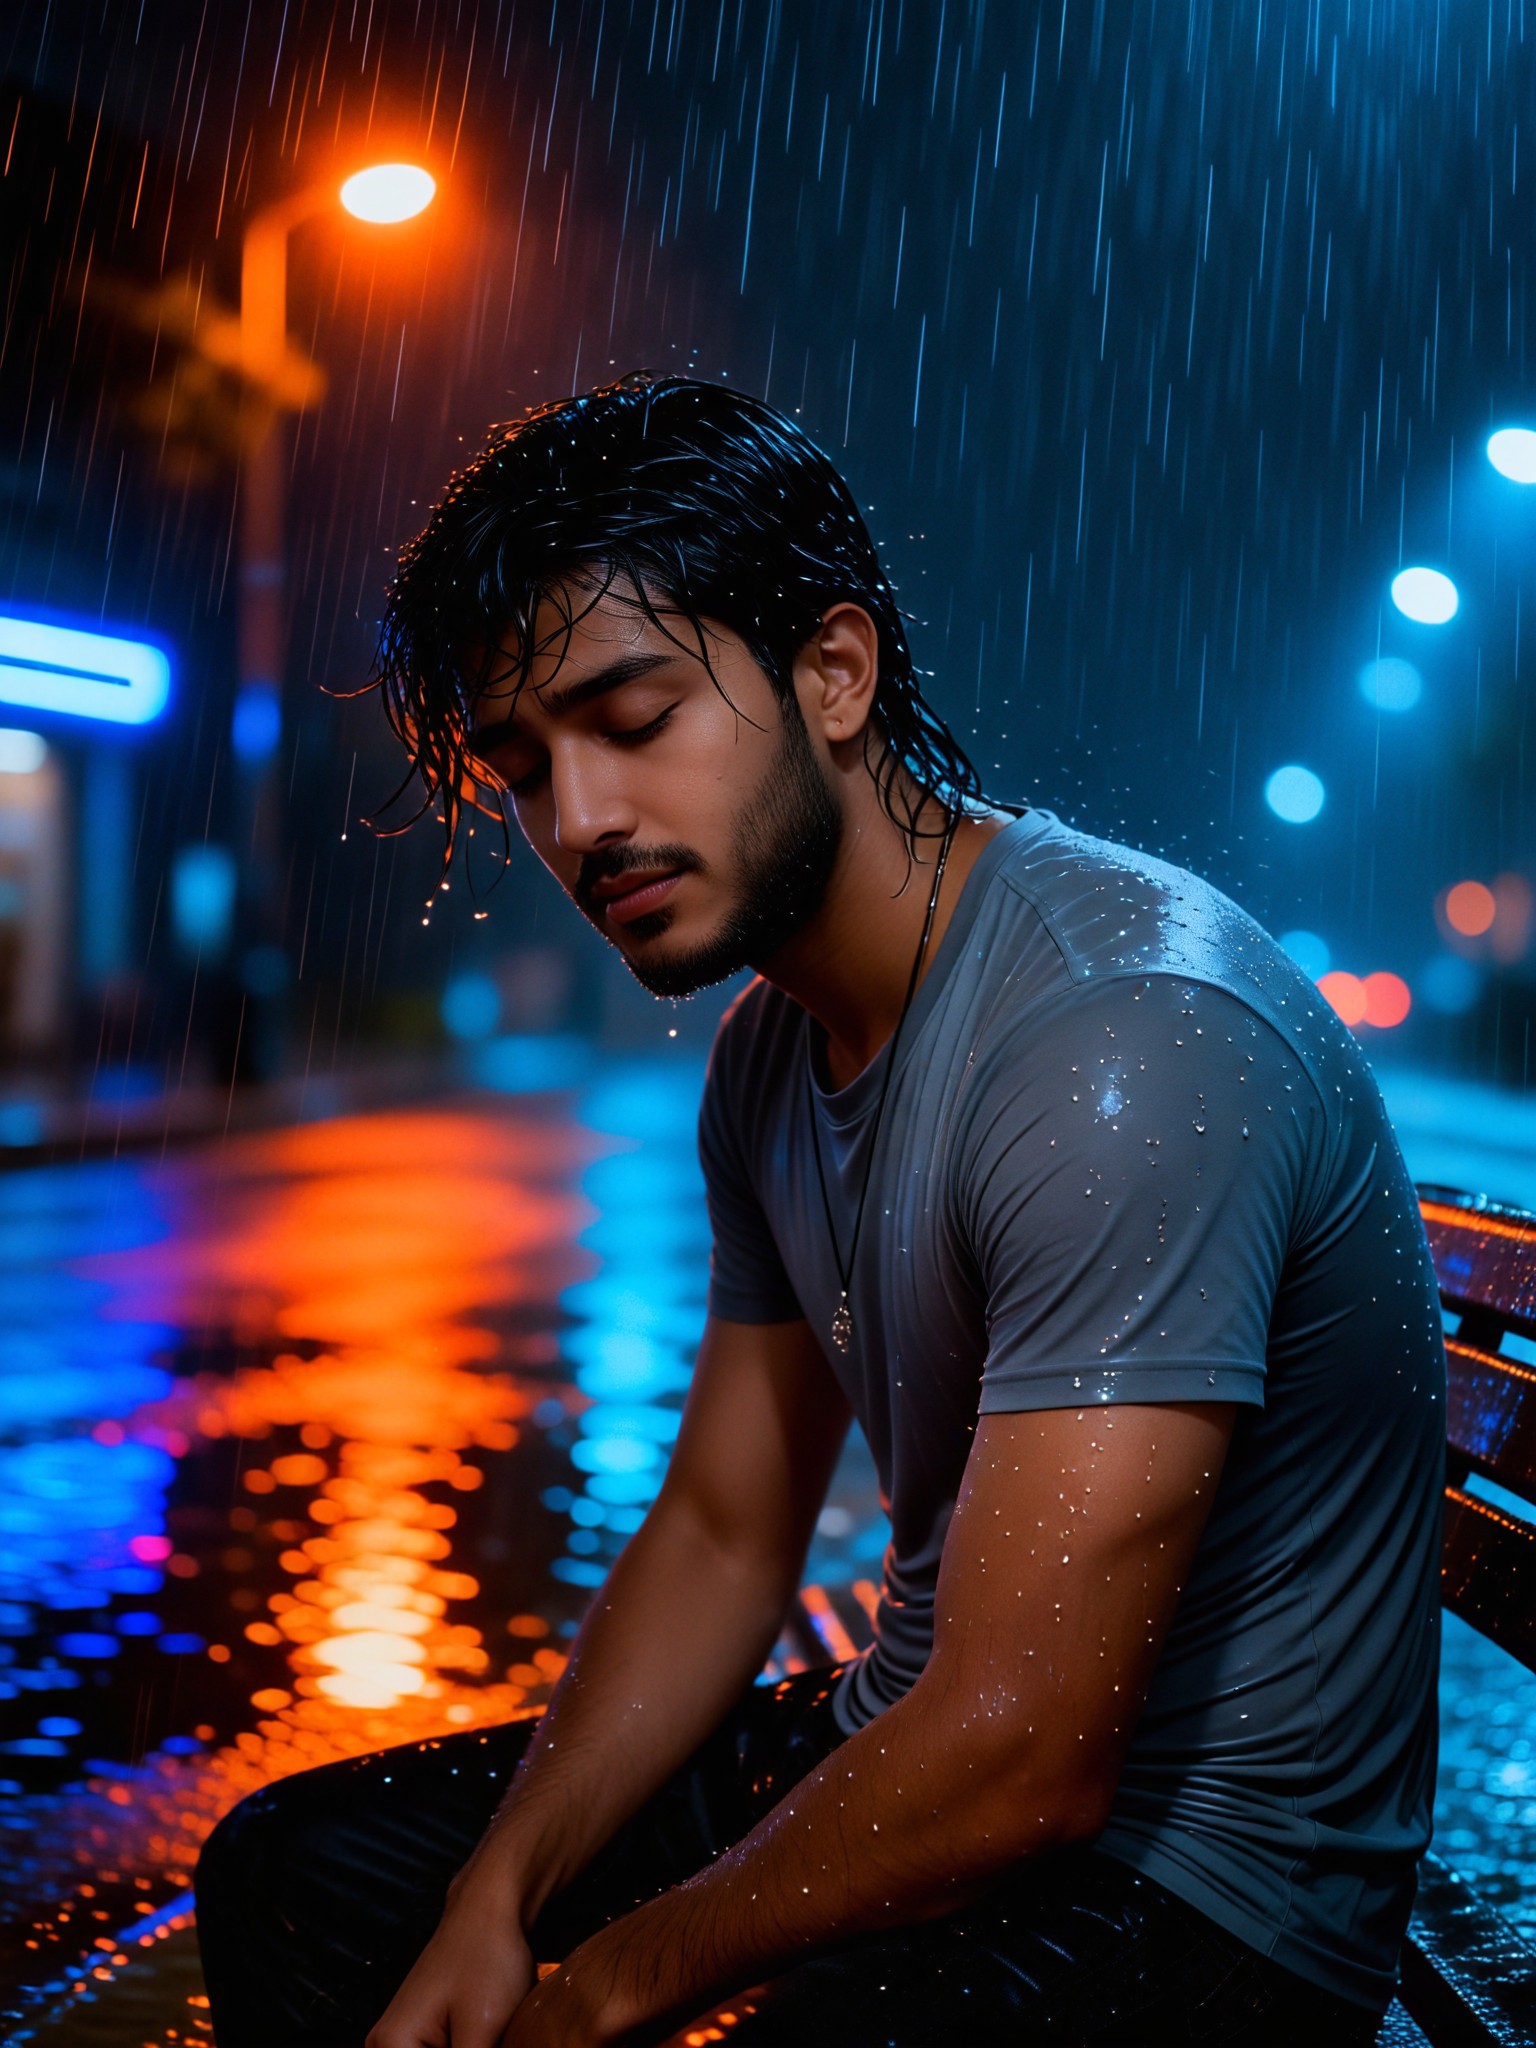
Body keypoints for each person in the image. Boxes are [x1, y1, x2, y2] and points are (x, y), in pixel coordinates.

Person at [194, 376, 1445, 2046]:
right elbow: (724, 1528)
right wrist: (498, 1903)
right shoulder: (771, 1054)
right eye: (523, 765)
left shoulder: (1118, 1040)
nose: (579, 823)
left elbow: (1024, 1756)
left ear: (835, 675)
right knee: (309, 1870)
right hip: (933, 1737)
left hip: (1208, 1890)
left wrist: (604, 1988)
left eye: (632, 720)